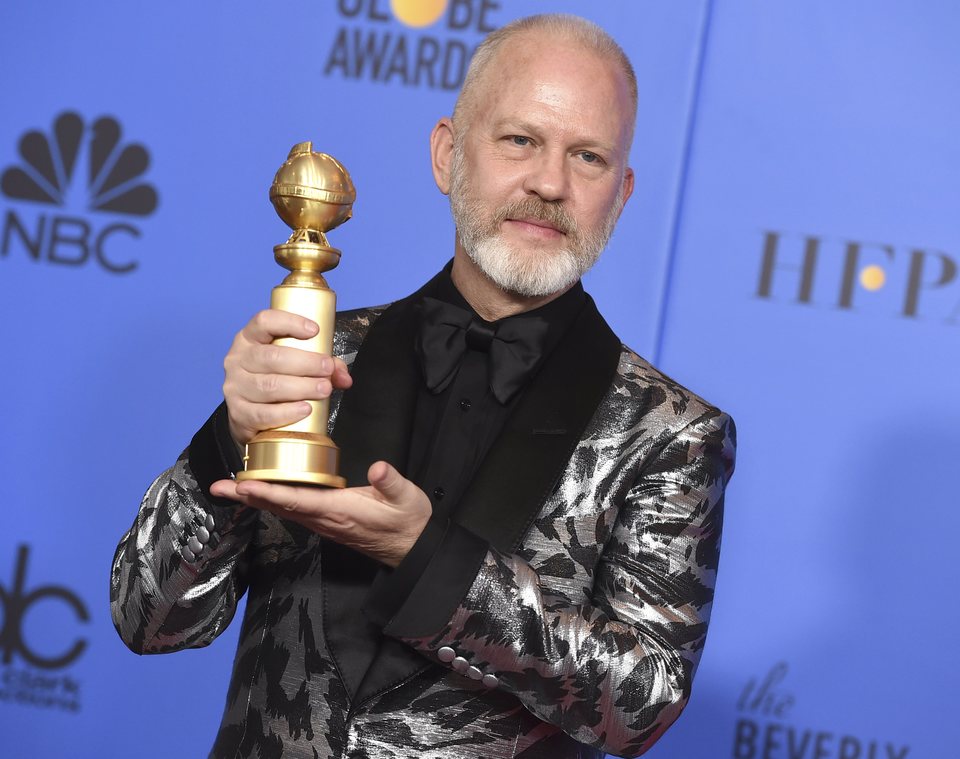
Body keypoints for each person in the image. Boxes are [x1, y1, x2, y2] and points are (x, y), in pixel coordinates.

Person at [111, 13, 735, 759]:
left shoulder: (670, 432)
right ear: (447, 155)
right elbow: (146, 617)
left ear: (621, 193)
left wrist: (430, 560)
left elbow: (643, 707)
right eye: (520, 140)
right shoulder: (316, 354)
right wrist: (227, 440)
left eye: (589, 157)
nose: (549, 182)